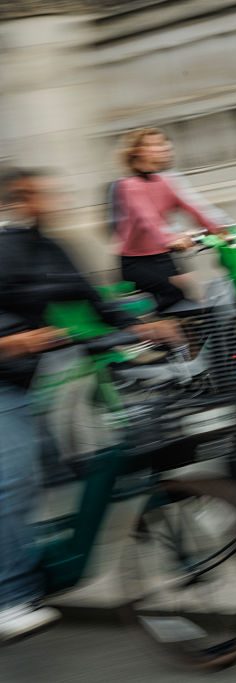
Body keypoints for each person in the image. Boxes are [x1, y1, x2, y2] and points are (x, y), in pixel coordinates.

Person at [0, 167, 179, 642]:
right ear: (19, 199)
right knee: (16, 479)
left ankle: (34, 556)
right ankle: (9, 598)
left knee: (49, 472)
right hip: (5, 376)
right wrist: (12, 342)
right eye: (43, 194)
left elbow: (91, 295)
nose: (54, 199)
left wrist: (140, 327)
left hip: (26, 375)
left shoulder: (49, 246)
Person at [113, 127, 225, 311]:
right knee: (177, 299)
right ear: (137, 152)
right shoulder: (129, 186)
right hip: (137, 263)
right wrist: (170, 239)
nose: (164, 147)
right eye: (155, 144)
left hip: (162, 256)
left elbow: (192, 207)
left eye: (164, 143)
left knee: (193, 303)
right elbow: (148, 219)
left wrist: (219, 229)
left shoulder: (164, 182)